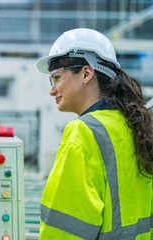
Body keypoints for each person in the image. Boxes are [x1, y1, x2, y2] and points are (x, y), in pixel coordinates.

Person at [36, 28, 153, 239]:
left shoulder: (83, 132)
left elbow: (63, 231)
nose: (52, 90)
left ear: (87, 73)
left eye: (57, 77)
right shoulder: (133, 126)